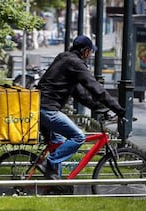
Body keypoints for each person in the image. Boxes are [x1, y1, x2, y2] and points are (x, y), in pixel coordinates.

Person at [37, 35, 126, 180]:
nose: (90, 56)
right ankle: (49, 164)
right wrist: (118, 109)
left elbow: (80, 94)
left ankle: (53, 184)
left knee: (58, 143)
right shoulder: (76, 63)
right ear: (85, 51)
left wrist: (99, 108)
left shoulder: (64, 58)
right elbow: (95, 87)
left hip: (40, 107)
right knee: (78, 137)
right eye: (90, 52)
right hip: (48, 110)